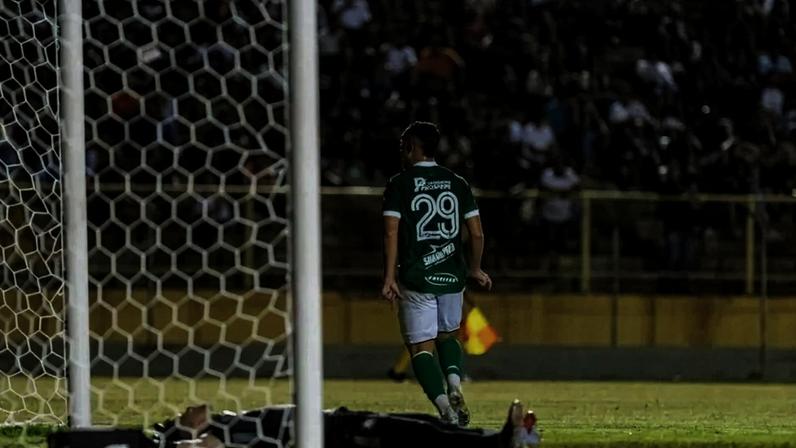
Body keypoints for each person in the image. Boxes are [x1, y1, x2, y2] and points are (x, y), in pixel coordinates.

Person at [381, 121, 492, 426]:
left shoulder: (399, 184)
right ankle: (455, 383)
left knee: (420, 348)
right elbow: (478, 234)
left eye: (405, 143)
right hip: (452, 276)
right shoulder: (457, 182)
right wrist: (475, 267)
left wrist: (389, 276)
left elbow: (391, 233)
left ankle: (445, 408)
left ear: (413, 147)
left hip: (416, 277)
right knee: (448, 336)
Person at [155, 400, 540, 448]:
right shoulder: (216, 441)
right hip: (336, 436)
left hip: (335, 421)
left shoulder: (226, 423)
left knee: (421, 423)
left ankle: (498, 436)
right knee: (417, 435)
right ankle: (497, 443)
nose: (191, 409)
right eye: (182, 418)